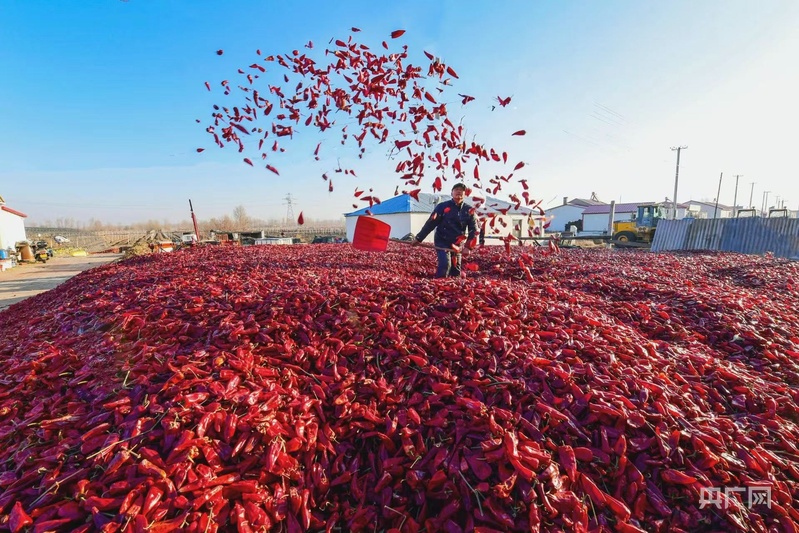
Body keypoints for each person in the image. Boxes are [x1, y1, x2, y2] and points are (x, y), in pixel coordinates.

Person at [412, 183, 478, 278]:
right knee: (445, 265)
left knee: (456, 270)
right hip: (442, 240)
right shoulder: (442, 207)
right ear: (451, 193)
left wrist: (468, 247)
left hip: (457, 243)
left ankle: (454, 290)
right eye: (456, 189)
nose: (459, 191)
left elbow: (473, 230)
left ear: (465, 194)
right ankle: (439, 286)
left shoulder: (469, 210)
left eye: (461, 190)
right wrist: (419, 238)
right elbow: (430, 223)